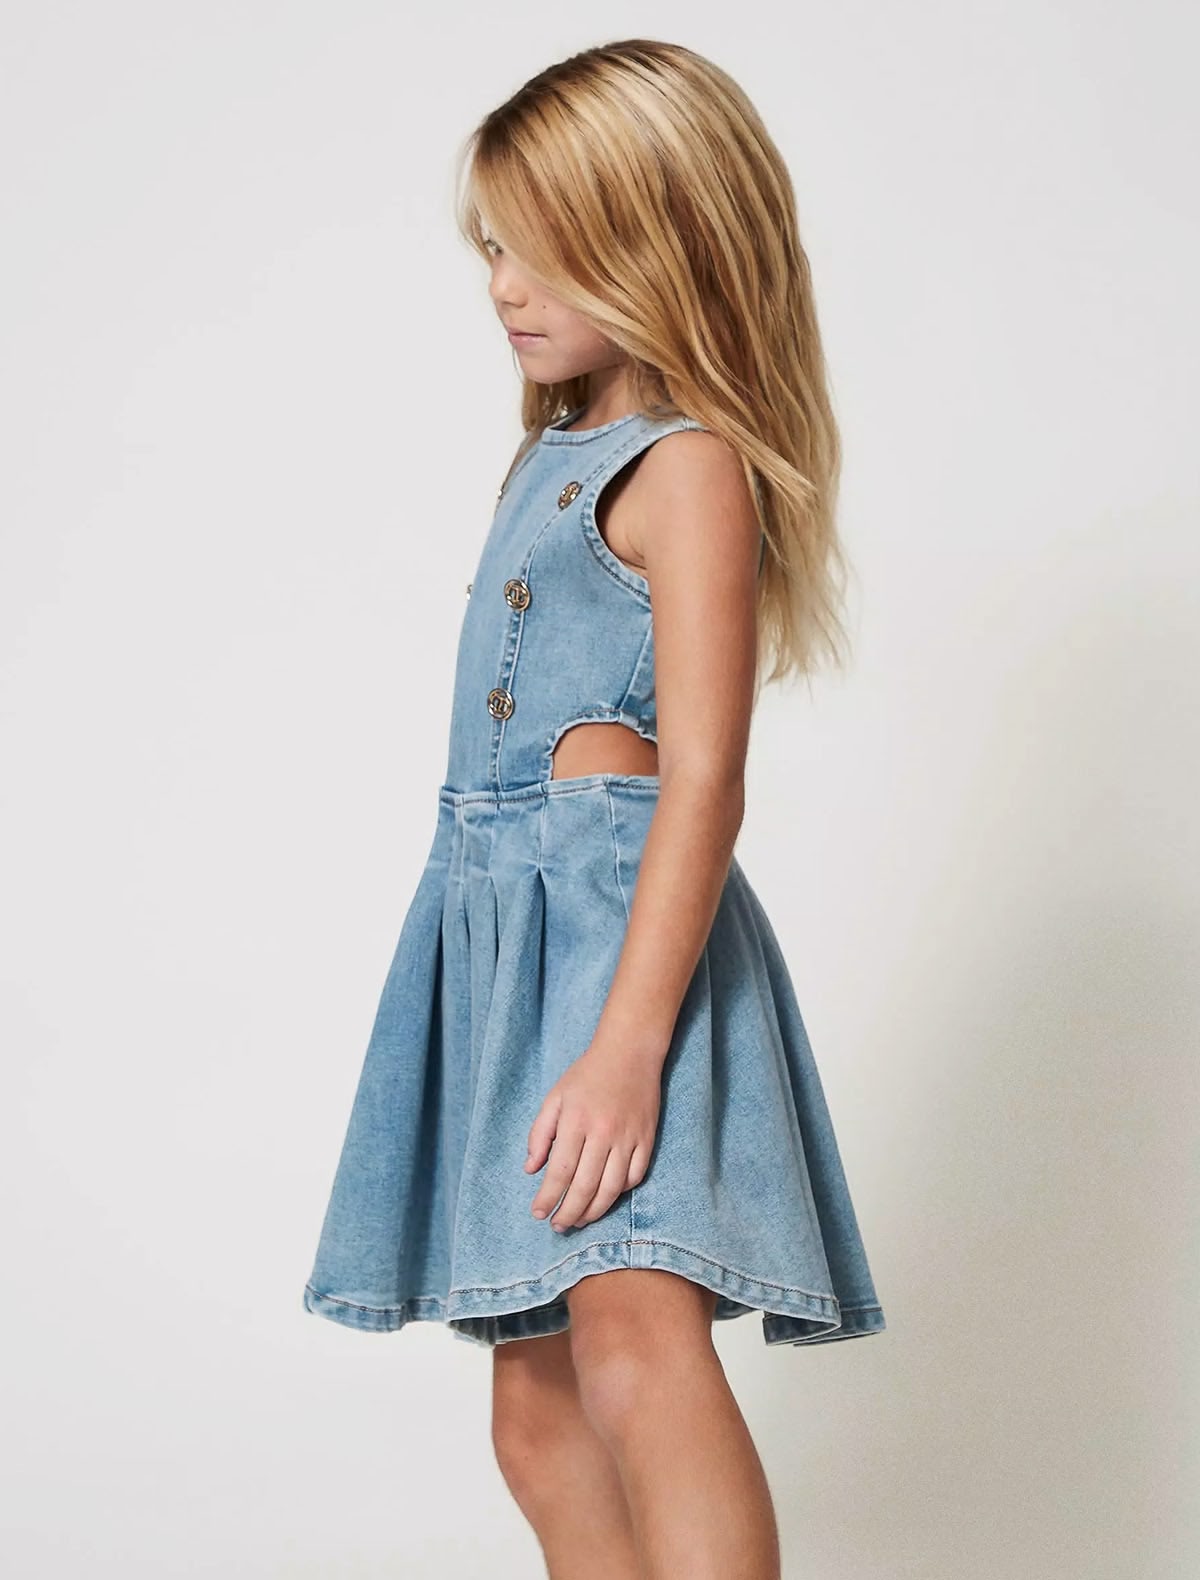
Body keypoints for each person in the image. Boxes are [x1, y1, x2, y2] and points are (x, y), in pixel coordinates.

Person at [303, 37, 886, 1579]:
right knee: (540, 1412)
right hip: (508, 945)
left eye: (542, 246)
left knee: (634, 1347)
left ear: (662, 236)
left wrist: (629, 1047)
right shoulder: (546, 458)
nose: (503, 284)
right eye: (491, 245)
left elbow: (704, 776)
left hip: (619, 946)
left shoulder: (686, 467)